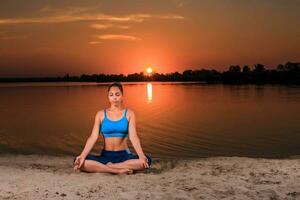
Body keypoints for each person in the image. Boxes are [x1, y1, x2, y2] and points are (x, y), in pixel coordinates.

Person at [73, 82, 152, 174]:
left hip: (124, 156)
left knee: (147, 160)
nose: (114, 97)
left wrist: (141, 156)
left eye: (117, 94)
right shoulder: (100, 114)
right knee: (78, 161)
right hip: (106, 156)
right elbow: (93, 137)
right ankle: (115, 170)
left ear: (122, 96)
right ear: (108, 97)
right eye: (111, 95)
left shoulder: (129, 114)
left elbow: (133, 137)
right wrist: (82, 156)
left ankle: (110, 167)